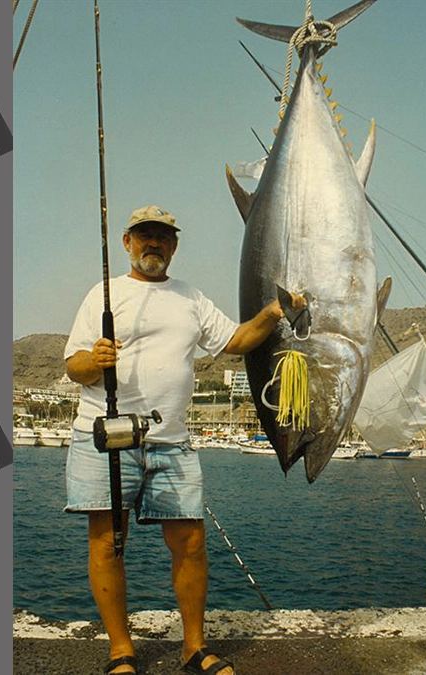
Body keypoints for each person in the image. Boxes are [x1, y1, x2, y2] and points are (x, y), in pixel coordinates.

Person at [64, 205, 300, 675]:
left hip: (170, 441)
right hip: (107, 438)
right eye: (143, 235)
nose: (153, 243)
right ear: (127, 243)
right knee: (108, 543)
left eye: (163, 237)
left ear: (174, 246)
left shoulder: (191, 298)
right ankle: (120, 652)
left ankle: (194, 647)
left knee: (191, 542)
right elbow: (73, 367)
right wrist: (96, 359)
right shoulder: (103, 294)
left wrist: (276, 310)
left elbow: (234, 340)